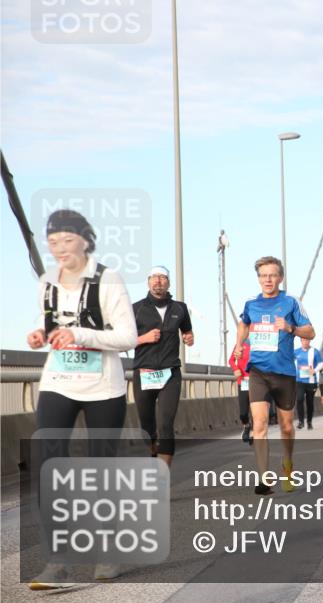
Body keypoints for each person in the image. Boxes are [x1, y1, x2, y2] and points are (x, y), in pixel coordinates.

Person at [27, 209, 138, 588]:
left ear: (86, 240)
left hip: (103, 386)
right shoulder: (47, 282)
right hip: (58, 381)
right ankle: (57, 562)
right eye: (53, 241)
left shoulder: (108, 279)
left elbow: (127, 337)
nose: (60, 248)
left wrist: (80, 334)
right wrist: (40, 335)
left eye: (67, 240)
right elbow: (50, 322)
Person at [233, 256, 315, 495]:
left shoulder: (291, 302)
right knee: (259, 424)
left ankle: (287, 466)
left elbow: (311, 332)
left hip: (284, 373)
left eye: (272, 275)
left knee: (286, 427)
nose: (267, 279)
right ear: (258, 279)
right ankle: (263, 478)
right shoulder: (251, 304)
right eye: (263, 275)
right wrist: (239, 344)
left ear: (280, 277)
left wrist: (291, 328)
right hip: (258, 371)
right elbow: (243, 324)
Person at [132, 266, 193, 467]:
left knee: (166, 425)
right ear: (148, 281)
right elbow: (122, 340)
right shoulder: (136, 308)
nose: (158, 280)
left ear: (168, 282)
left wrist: (189, 337)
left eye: (163, 277)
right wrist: (143, 338)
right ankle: (152, 450)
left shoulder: (180, 308)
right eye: (154, 277)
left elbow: (187, 331)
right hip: (144, 373)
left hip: (170, 373)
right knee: (147, 427)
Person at [228, 339, 253, 445]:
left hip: (257, 381)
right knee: (243, 413)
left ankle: (254, 434)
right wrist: (235, 369)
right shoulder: (240, 345)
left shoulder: (259, 345)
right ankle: (247, 426)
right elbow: (231, 360)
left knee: (256, 411)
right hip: (243, 382)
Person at [294, 336, 321, 429]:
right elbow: (289, 361)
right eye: (303, 340)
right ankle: (301, 421)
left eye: (307, 340)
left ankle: (309, 421)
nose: (305, 342)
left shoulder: (315, 351)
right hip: (299, 380)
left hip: (311, 381)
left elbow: (321, 363)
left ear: (309, 341)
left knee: (310, 402)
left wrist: (315, 370)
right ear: (301, 341)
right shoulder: (296, 352)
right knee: (299, 399)